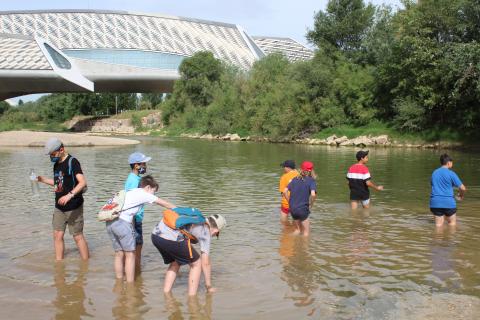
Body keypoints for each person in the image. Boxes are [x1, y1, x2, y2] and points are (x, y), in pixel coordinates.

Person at [106, 175, 175, 283]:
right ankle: (130, 285)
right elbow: (164, 203)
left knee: (119, 254)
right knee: (130, 255)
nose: (153, 194)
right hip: (122, 223)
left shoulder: (131, 191)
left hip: (110, 221)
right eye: (154, 191)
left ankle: (119, 282)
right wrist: (180, 210)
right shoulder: (143, 194)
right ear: (148, 187)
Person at [37, 138, 89, 261]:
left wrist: (69, 195)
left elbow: (82, 182)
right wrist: (43, 180)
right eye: (50, 155)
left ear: (61, 149)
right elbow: (58, 185)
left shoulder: (73, 162)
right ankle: (59, 264)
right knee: (57, 235)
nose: (52, 157)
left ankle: (86, 264)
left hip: (74, 206)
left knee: (77, 236)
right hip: (59, 207)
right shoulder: (57, 165)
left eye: (53, 154)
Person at [151, 211, 227, 296]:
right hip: (170, 238)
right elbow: (206, 263)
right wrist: (209, 286)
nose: (215, 235)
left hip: (155, 235)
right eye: (217, 234)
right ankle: (192, 298)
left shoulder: (196, 218)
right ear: (216, 230)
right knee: (197, 263)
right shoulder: (206, 231)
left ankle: (166, 293)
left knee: (175, 262)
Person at [125, 152, 152, 273]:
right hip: (134, 218)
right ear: (136, 165)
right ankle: (136, 271)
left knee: (133, 246)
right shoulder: (134, 181)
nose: (145, 166)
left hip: (133, 217)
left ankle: (133, 269)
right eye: (143, 164)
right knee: (137, 245)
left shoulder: (134, 178)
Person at [430, 154, 466, 227]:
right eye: (452, 162)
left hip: (435, 202)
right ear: (449, 163)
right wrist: (461, 195)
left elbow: (432, 184)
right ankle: (450, 238)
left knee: (438, 225)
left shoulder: (434, 173)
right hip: (448, 202)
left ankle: (437, 237)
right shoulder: (451, 173)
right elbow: (463, 188)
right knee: (452, 224)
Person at [283, 161, 316, 236]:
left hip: (293, 209)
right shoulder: (311, 181)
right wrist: (311, 204)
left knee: (297, 230)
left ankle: (289, 240)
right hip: (302, 209)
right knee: (306, 233)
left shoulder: (294, 179)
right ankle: (304, 247)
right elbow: (313, 194)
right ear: (311, 170)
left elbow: (285, 191)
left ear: (301, 169)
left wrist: (290, 202)